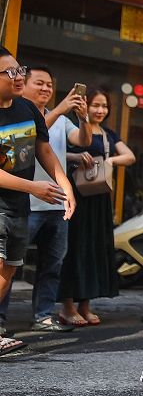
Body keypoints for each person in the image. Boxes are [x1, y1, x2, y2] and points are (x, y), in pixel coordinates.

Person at [0, 50, 76, 356]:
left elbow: (43, 149)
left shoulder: (28, 109)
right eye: (11, 73)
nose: (19, 78)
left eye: (20, 71)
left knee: (8, 271)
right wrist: (33, 187)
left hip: (19, 207)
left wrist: (65, 183)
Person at [58, 87, 135, 325]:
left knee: (94, 248)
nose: (100, 110)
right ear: (84, 106)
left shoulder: (108, 133)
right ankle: (67, 306)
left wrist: (107, 161)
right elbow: (55, 153)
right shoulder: (71, 128)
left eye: (104, 106)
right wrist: (75, 157)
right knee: (74, 248)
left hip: (100, 196)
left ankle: (85, 304)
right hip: (76, 195)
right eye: (95, 105)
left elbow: (129, 156)